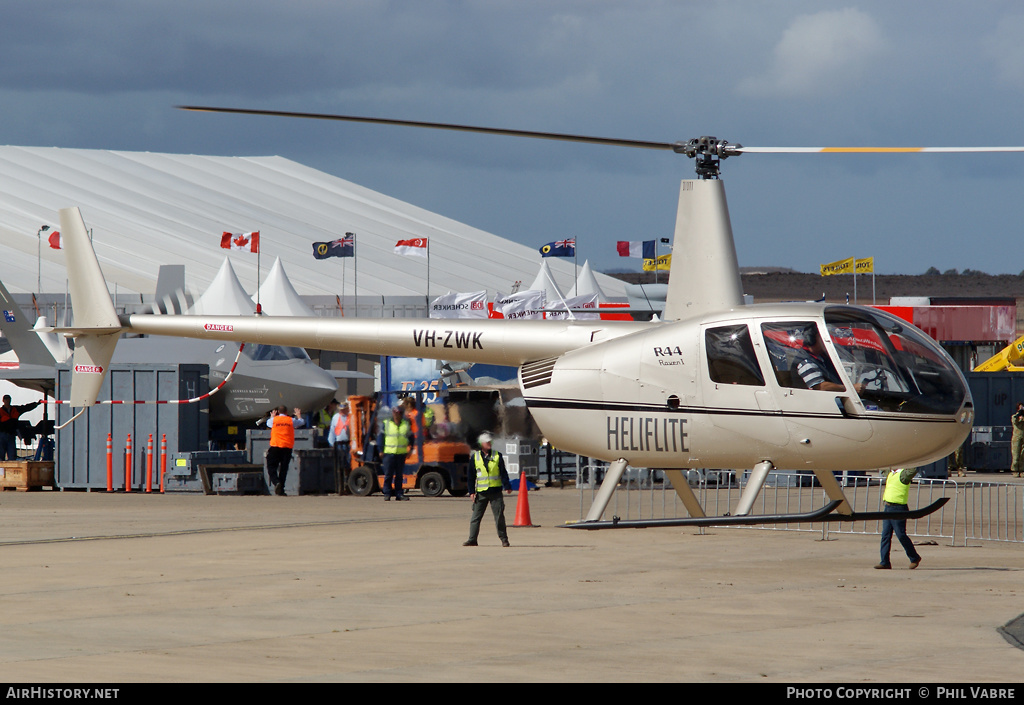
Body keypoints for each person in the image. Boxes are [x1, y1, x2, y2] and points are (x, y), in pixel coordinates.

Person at [463, 432, 512, 547]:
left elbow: (503, 473)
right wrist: (471, 492)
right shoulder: (475, 457)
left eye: (490, 441)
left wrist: (507, 486)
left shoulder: (497, 455)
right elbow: (471, 476)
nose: (489, 443)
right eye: (487, 442)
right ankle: (472, 539)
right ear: (481, 444)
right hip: (481, 493)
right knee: (475, 517)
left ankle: (504, 539)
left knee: (499, 517)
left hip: (495, 492)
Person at [874, 467, 922, 570]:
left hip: (898, 508)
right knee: (885, 535)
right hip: (888, 507)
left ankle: (914, 557)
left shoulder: (903, 474)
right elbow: (883, 467)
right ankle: (885, 561)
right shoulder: (891, 473)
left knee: (901, 534)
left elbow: (914, 469)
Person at [264, 405, 305, 496]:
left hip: (275, 446)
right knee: (284, 468)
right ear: (287, 412)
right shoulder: (291, 420)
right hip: (287, 447)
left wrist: (272, 416)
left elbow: (268, 423)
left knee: (271, 467)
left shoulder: (274, 420)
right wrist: (298, 415)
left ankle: (276, 482)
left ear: (278, 412)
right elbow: (302, 422)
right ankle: (281, 489)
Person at [379, 405, 412, 501]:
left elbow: (411, 437)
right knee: (388, 474)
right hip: (389, 453)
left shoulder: (405, 424)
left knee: (399, 475)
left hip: (401, 453)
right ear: (393, 413)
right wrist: (381, 450)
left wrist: (411, 448)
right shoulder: (387, 424)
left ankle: (399, 494)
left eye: (399, 413)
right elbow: (381, 437)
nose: (398, 415)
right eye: (396, 413)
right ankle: (387, 493)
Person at [0, 395, 41, 461]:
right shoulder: (0, 411)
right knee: (1, 456)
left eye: (8, 399)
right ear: (3, 401)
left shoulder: (15, 409)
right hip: (2, 436)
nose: (7, 401)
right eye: (6, 400)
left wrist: (36, 404)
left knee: (12, 456)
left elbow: (26, 407)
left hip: (11, 435)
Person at [327, 400, 351, 490]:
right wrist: (331, 443)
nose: (342, 411)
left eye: (344, 409)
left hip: (348, 443)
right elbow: (332, 431)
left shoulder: (351, 417)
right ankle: (341, 486)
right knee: (340, 465)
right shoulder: (336, 417)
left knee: (348, 465)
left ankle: (347, 485)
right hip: (339, 444)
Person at [1011, 403, 1024, 478]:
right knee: (1016, 454)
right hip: (1017, 438)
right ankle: (1015, 470)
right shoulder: (1014, 417)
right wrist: (1019, 414)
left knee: (1023, 455)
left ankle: (1022, 470)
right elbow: (1015, 422)